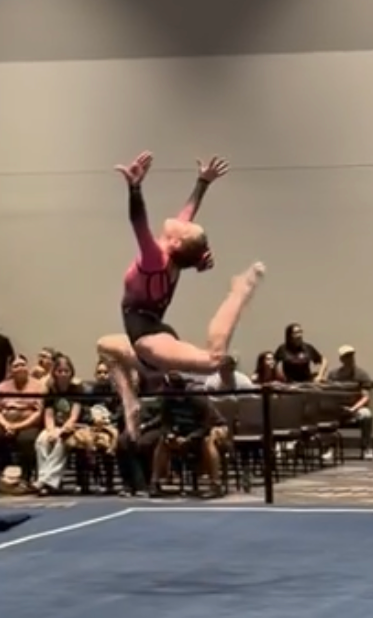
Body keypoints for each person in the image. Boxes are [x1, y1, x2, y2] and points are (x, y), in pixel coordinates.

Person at [96, 151, 263, 430]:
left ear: (174, 243)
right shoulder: (172, 255)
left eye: (186, 229)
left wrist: (135, 188)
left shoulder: (155, 260)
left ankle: (238, 293)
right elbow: (189, 212)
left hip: (149, 344)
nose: (182, 221)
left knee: (213, 361)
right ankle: (130, 403)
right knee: (105, 346)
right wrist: (202, 183)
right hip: (150, 333)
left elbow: (138, 224)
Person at [0, 352, 46, 490]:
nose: (20, 368)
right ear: (11, 370)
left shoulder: (38, 386)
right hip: (5, 423)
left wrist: (18, 426)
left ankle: (26, 478)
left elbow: (38, 411)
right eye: (16, 366)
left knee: (27, 440)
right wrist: (6, 424)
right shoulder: (2, 386)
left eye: (23, 365)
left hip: (28, 424)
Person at [34, 355, 84, 492]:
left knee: (61, 442)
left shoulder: (77, 389)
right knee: (41, 440)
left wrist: (60, 431)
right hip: (54, 426)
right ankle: (46, 482)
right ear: (54, 372)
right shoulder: (50, 389)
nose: (63, 374)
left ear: (71, 372)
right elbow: (48, 415)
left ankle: (44, 481)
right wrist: (51, 431)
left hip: (72, 426)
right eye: (60, 371)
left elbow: (74, 416)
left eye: (66, 371)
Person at [322, 344, 373, 460]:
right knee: (326, 414)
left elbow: (365, 397)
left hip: (356, 408)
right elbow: (329, 395)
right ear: (341, 359)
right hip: (338, 408)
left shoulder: (361, 374)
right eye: (346, 357)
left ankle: (367, 448)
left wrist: (353, 409)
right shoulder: (333, 375)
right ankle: (329, 448)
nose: (350, 359)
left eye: (351, 356)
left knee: (367, 415)